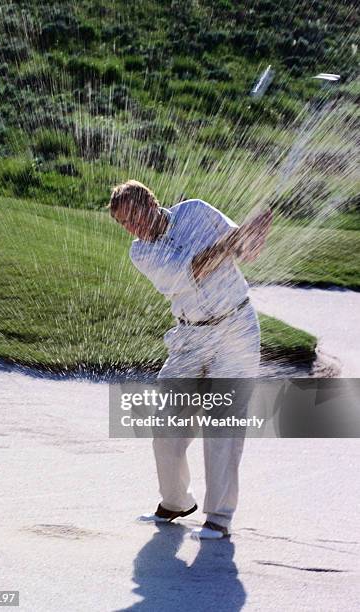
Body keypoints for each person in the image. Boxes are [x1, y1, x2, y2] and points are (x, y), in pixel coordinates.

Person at [108, 179, 273, 539]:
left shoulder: (196, 210)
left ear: (151, 202)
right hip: (190, 337)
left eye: (133, 215)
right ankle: (176, 501)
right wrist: (230, 243)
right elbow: (196, 269)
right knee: (165, 424)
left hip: (236, 328)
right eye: (124, 224)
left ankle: (219, 517)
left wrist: (256, 231)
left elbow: (244, 251)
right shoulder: (142, 252)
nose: (132, 227)